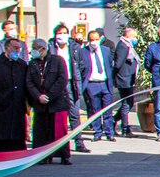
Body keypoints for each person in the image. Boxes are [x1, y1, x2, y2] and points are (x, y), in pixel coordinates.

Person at [26, 38, 72, 165]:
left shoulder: (57, 60)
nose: (33, 51)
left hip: (57, 101)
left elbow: (62, 79)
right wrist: (38, 96)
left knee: (59, 130)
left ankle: (64, 155)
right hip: (40, 103)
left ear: (43, 49)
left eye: (35, 48)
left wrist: (49, 96)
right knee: (41, 131)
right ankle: (42, 156)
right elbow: (29, 82)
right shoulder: (32, 63)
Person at [49, 24, 91, 155]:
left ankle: (79, 142)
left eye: (64, 33)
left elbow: (83, 67)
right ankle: (55, 145)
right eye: (59, 33)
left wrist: (79, 83)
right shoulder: (50, 47)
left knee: (74, 115)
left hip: (71, 83)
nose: (62, 35)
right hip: (56, 85)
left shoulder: (74, 48)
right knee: (56, 116)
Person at [0, 37, 30, 153]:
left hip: (18, 104)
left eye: (19, 48)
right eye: (15, 48)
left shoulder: (22, 64)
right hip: (2, 104)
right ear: (7, 48)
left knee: (18, 134)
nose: (17, 51)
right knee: (2, 134)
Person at [77, 30, 115, 142]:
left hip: (105, 83)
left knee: (108, 109)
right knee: (95, 109)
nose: (94, 42)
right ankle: (97, 132)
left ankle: (109, 132)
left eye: (96, 39)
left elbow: (109, 65)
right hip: (92, 84)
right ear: (88, 41)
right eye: (91, 40)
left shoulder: (106, 50)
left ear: (100, 39)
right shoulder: (83, 51)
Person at [112, 27, 141, 138]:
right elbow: (118, 64)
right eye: (134, 36)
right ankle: (125, 128)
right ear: (128, 36)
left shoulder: (128, 45)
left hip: (128, 78)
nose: (136, 39)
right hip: (124, 79)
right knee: (126, 103)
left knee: (129, 102)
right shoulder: (123, 46)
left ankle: (114, 121)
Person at [145, 25, 160, 142]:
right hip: (159, 80)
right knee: (159, 107)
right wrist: (156, 73)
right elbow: (147, 64)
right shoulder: (152, 47)